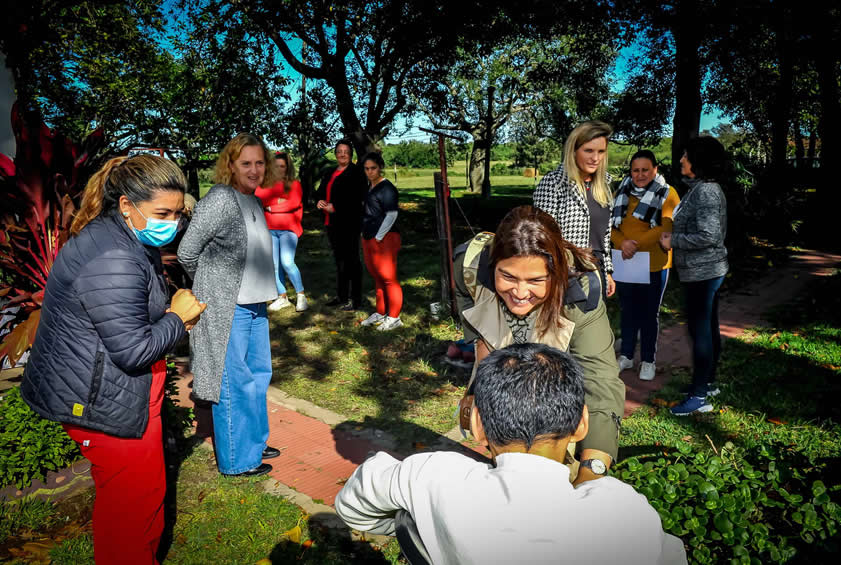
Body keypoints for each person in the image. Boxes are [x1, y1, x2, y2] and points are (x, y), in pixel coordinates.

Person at [335, 344, 687, 565]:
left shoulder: (430, 475)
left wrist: (412, 533)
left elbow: (355, 499)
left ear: (477, 424)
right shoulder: (622, 514)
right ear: (582, 425)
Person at [20, 155, 206, 565]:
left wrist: (169, 318)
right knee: (132, 509)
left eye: (178, 213)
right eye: (163, 213)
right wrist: (178, 318)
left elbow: (128, 317)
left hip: (118, 391)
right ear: (126, 205)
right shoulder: (115, 257)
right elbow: (133, 349)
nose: (173, 223)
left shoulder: (124, 237)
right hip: (105, 401)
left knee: (138, 498)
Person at [455, 205, 624, 484]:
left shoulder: (580, 291)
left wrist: (592, 473)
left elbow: (600, 381)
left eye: (536, 280)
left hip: (556, 395)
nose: (520, 293)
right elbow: (466, 300)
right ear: (492, 265)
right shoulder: (468, 264)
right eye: (507, 276)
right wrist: (482, 367)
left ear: (555, 274)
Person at [178, 132, 282, 476]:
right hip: (228, 308)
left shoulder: (251, 198)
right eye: (245, 163)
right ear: (231, 165)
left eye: (259, 163)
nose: (253, 170)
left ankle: (253, 440)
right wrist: (210, 286)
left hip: (255, 305)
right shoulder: (221, 199)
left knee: (258, 377)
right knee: (234, 383)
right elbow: (187, 251)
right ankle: (238, 460)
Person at [659, 137, 729, 416]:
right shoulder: (700, 189)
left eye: (685, 155)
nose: (680, 160)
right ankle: (707, 383)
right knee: (708, 328)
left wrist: (672, 240)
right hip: (704, 271)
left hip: (704, 272)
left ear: (698, 160)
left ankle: (699, 397)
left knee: (700, 331)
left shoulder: (706, 192)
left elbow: (709, 236)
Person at [611, 150, 681, 381]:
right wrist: (622, 243)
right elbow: (610, 225)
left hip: (654, 263)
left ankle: (648, 360)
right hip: (626, 261)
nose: (640, 175)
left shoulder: (668, 193)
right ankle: (627, 355)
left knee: (650, 314)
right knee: (628, 311)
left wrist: (636, 244)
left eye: (645, 170)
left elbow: (666, 227)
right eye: (635, 170)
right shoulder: (621, 192)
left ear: (655, 170)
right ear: (630, 172)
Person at [533, 120, 616, 299]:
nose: (595, 158)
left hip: (597, 271)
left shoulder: (604, 186)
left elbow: (605, 236)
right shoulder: (554, 183)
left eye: (601, 151)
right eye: (588, 150)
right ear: (573, 151)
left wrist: (608, 271)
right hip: (566, 274)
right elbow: (541, 238)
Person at [315, 139, 367, 310]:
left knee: (352, 261)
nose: (342, 154)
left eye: (346, 151)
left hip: (349, 222)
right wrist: (320, 201)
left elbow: (357, 198)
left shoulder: (357, 172)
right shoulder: (330, 172)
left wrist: (336, 207)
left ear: (350, 154)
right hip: (332, 224)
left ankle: (356, 299)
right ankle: (342, 296)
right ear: (335, 153)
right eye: (339, 151)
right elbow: (320, 192)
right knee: (340, 261)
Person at [256, 151, 308, 312]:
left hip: (288, 230)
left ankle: (301, 295)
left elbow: (293, 204)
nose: (279, 169)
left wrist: (271, 206)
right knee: (274, 266)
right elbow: (258, 199)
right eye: (276, 166)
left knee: (287, 262)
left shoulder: (294, 184)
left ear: (287, 168)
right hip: (269, 230)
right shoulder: (264, 184)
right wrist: (279, 202)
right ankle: (282, 296)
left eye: (283, 166)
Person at [359, 152, 403, 331]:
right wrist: (365, 234)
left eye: (373, 168)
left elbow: (392, 214)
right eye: (366, 169)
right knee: (377, 276)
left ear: (380, 167)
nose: (369, 172)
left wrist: (379, 236)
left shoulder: (387, 188)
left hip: (386, 238)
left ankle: (394, 317)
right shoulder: (369, 186)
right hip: (369, 237)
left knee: (388, 278)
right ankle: (381, 312)